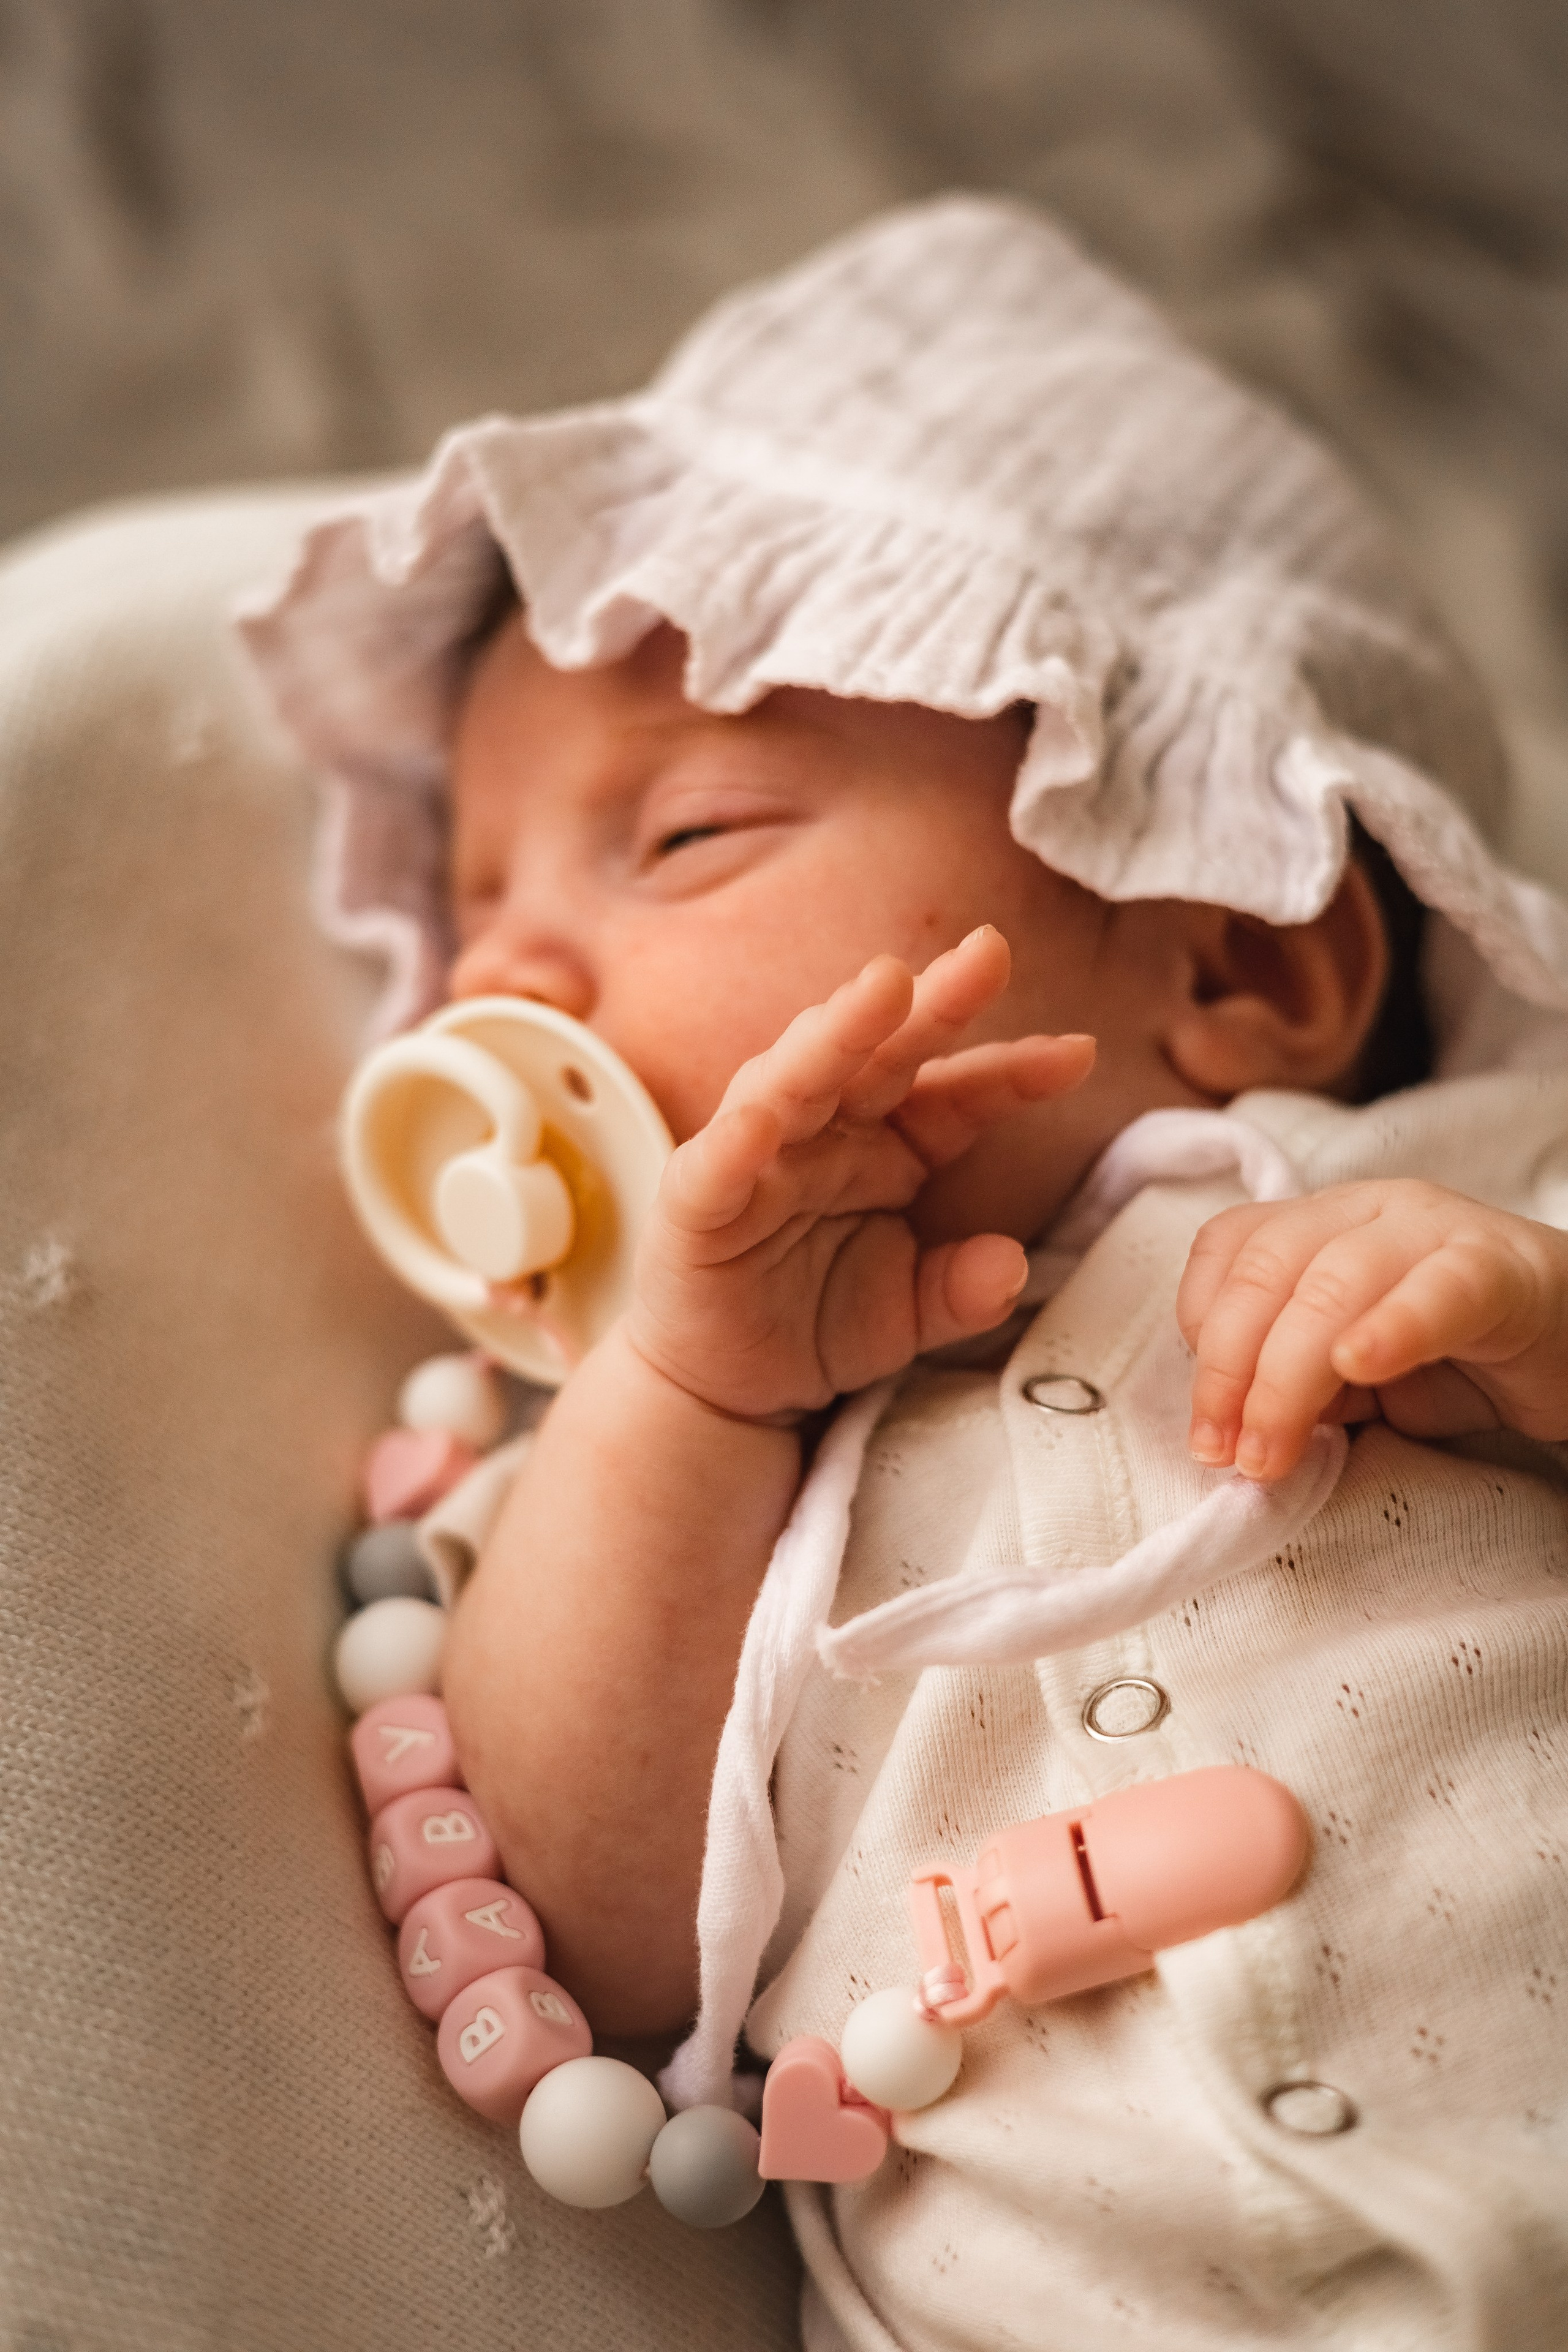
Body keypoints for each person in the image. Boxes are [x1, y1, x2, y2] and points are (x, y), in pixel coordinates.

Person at [243, 197, 1568, 2350]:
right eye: (468, 916)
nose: (504, 984)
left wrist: (1534, 1321)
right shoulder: (623, 1458)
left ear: (1242, 954)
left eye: (679, 838)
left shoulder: (1467, 1197)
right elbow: (590, 1930)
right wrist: (684, 1400)